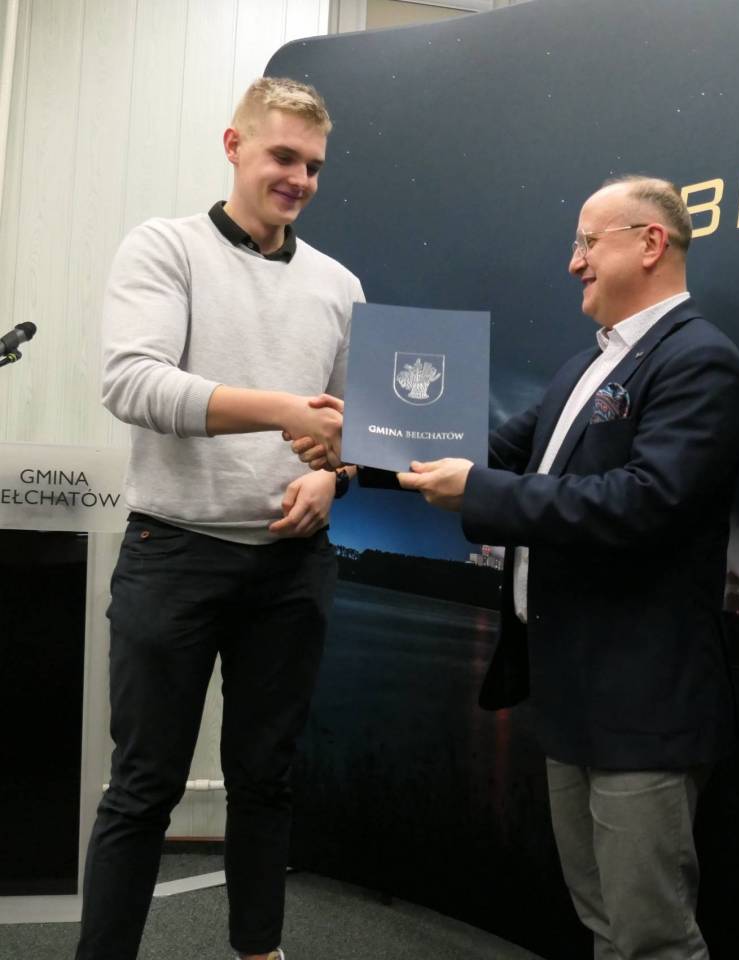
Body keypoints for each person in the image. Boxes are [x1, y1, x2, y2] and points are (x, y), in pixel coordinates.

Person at [395, 177, 739, 959]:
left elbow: (644, 502)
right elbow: (484, 452)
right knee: (602, 920)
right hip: (572, 693)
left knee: (651, 935)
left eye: (588, 242)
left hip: (641, 704)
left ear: (650, 243)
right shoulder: (585, 368)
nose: (573, 262)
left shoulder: (699, 362)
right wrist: (363, 448)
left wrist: (477, 492)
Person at [77, 77, 363, 960]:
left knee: (266, 781)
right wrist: (282, 410)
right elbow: (135, 384)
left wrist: (334, 481)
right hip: (173, 552)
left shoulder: (339, 284)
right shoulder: (165, 248)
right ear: (234, 146)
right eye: (283, 156)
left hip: (293, 568)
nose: (300, 179)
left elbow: (356, 435)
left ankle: (258, 952)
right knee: (144, 787)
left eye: (314, 166)